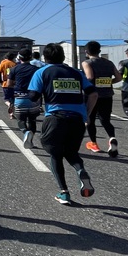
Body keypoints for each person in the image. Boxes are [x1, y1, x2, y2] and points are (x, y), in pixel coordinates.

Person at [26, 42, 97, 206]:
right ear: (63, 57)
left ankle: (64, 192)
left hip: (55, 118)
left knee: (55, 154)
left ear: (45, 57)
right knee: (71, 152)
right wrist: (87, 113)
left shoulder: (41, 72)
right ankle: (81, 171)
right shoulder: (76, 73)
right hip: (77, 119)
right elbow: (93, 93)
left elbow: (33, 97)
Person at [82, 41, 121, 157]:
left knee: (90, 120)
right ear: (99, 51)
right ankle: (112, 138)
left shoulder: (87, 62)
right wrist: (109, 82)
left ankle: (94, 144)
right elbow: (119, 77)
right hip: (107, 95)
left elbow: (90, 77)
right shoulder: (109, 63)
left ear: (86, 51)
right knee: (105, 120)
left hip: (92, 95)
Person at [9, 47, 41, 149]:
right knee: (32, 120)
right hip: (33, 98)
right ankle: (30, 141)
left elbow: (9, 84)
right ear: (31, 57)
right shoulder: (36, 69)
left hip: (19, 97)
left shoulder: (14, 69)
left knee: (21, 120)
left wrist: (16, 84)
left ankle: (25, 132)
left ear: (19, 57)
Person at [0, 53, 17, 117]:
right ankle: (11, 114)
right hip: (14, 84)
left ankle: (9, 105)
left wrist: (0, 81)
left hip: (5, 83)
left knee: (6, 99)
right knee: (13, 99)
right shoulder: (14, 64)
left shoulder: (3, 63)